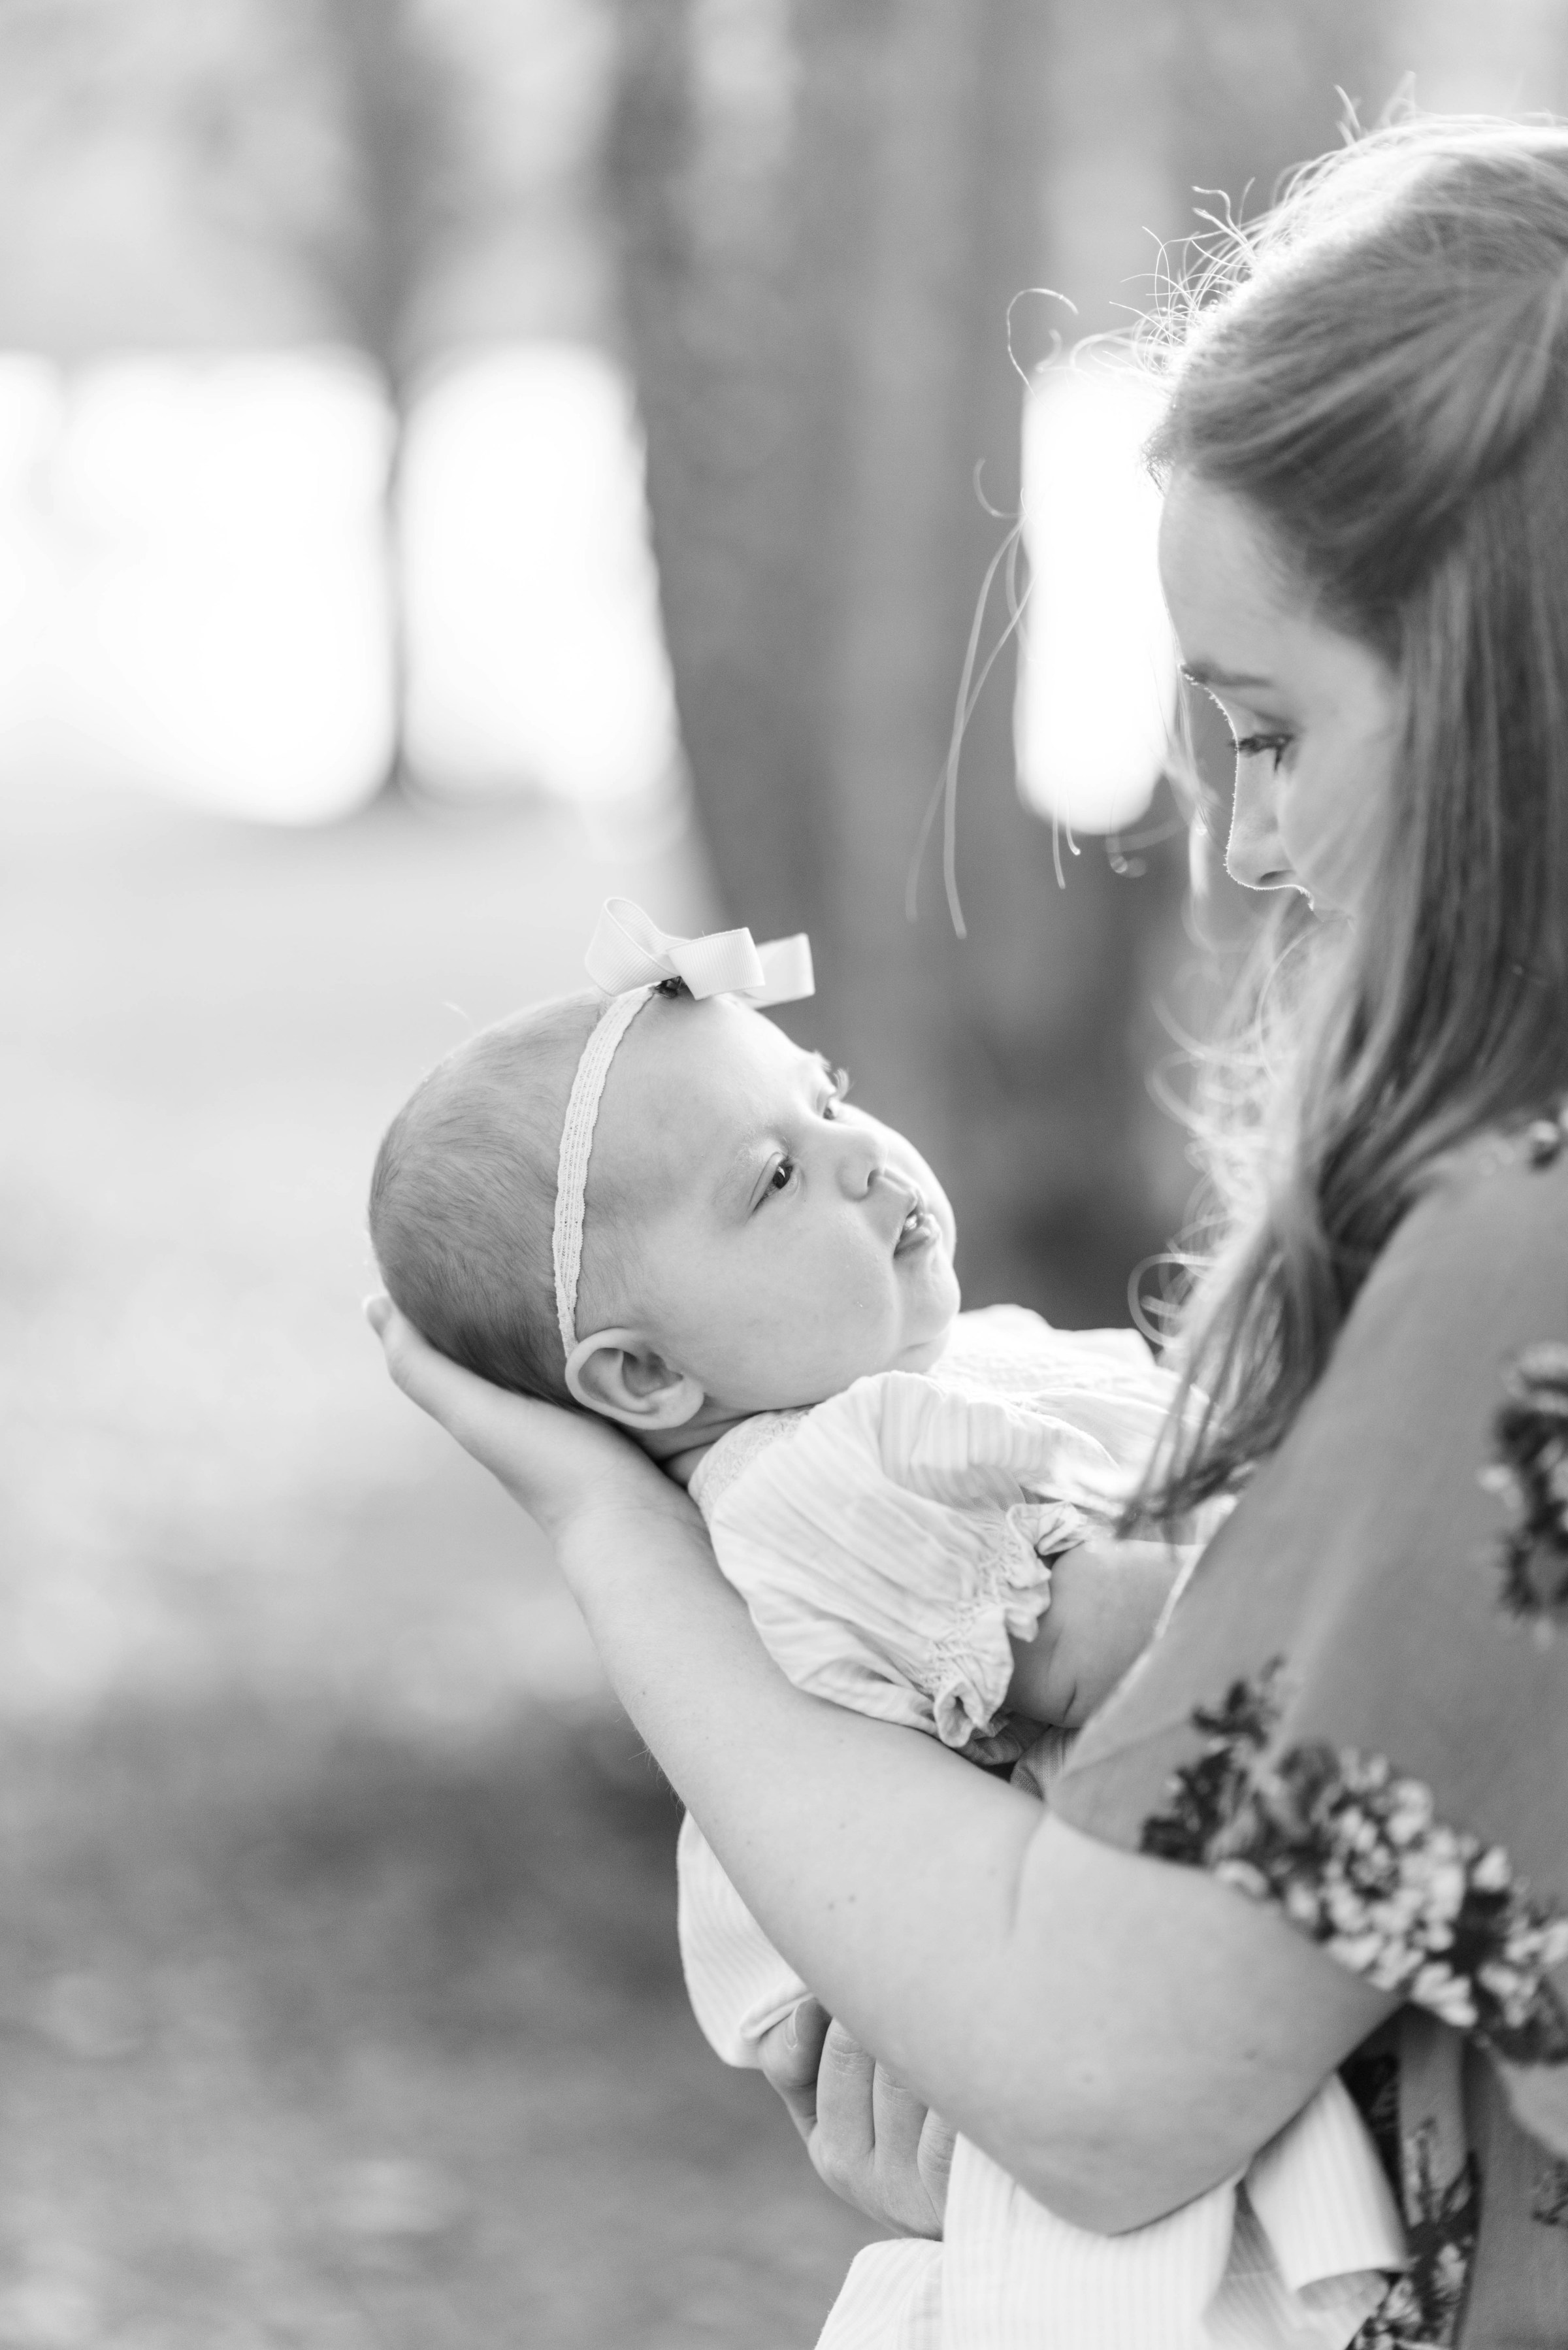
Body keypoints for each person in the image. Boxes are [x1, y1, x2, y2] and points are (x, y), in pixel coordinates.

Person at [367, 115, 1568, 2348]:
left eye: (1272, 726)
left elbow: (1105, 2068)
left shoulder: (1521, 1266)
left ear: (1517, 699)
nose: (1242, 828)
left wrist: (618, 1544)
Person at [367, 897, 1404, 2344]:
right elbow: (1114, 1646)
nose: (861, 1156)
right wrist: (1389, 1538)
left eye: (829, 1097)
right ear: (648, 1379)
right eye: (774, 1177)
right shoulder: (823, 1485)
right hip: (1107, 2031)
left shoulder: (953, 1383)